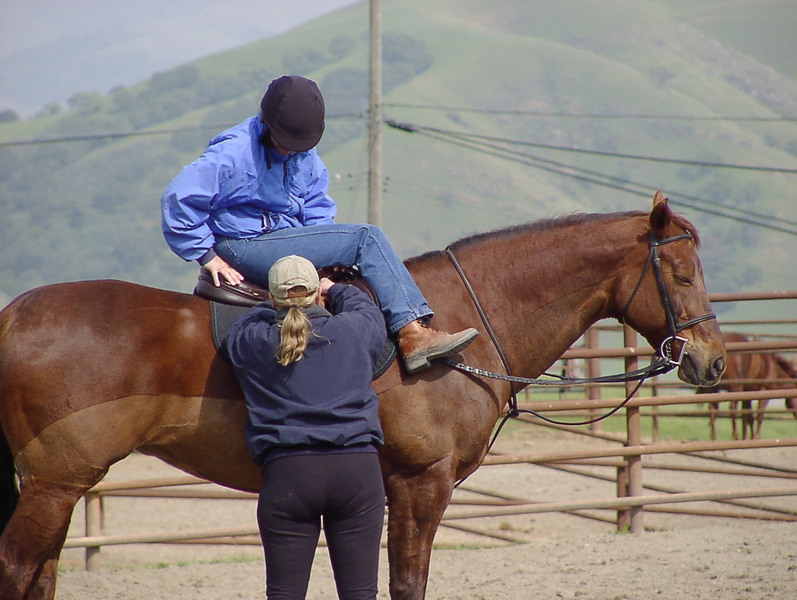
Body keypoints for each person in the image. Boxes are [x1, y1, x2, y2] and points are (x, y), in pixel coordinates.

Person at [161, 74, 477, 373]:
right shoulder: (234, 152)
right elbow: (178, 197)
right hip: (241, 244)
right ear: (268, 122)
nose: (291, 149)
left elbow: (316, 205)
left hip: (283, 239)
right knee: (366, 238)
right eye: (285, 141)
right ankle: (412, 333)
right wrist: (206, 255)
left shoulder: (305, 154)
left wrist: (328, 253)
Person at [221, 255, 387, 600]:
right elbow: (366, 309)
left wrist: (269, 306)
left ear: (273, 298)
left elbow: (238, 327)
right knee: (361, 594)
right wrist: (335, 288)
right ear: (316, 293)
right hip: (357, 472)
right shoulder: (354, 329)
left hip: (290, 474)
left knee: (285, 594)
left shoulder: (254, 339)